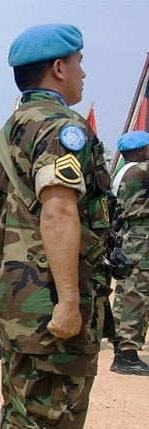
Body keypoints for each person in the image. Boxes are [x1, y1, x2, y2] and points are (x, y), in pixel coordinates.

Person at [0, 24, 110, 429]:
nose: (83, 71)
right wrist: (67, 301)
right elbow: (59, 213)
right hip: (48, 292)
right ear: (58, 68)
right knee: (49, 408)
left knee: (25, 396)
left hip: (18, 291)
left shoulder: (8, 130)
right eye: (79, 62)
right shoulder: (61, 128)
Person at [110, 131, 149, 376]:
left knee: (126, 292)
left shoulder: (122, 171)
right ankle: (128, 353)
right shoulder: (141, 171)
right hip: (140, 236)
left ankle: (121, 346)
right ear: (139, 151)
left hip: (129, 236)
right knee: (138, 293)